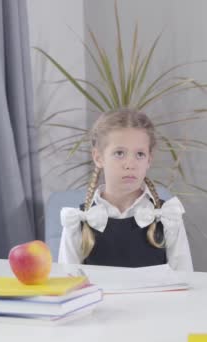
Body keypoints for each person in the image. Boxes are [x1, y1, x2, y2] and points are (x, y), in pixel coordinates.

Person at [58, 110, 193, 272]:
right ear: (98, 157)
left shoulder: (167, 218)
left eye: (140, 154)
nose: (130, 164)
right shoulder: (77, 222)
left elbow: (184, 279)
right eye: (119, 153)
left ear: (149, 160)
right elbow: (69, 285)